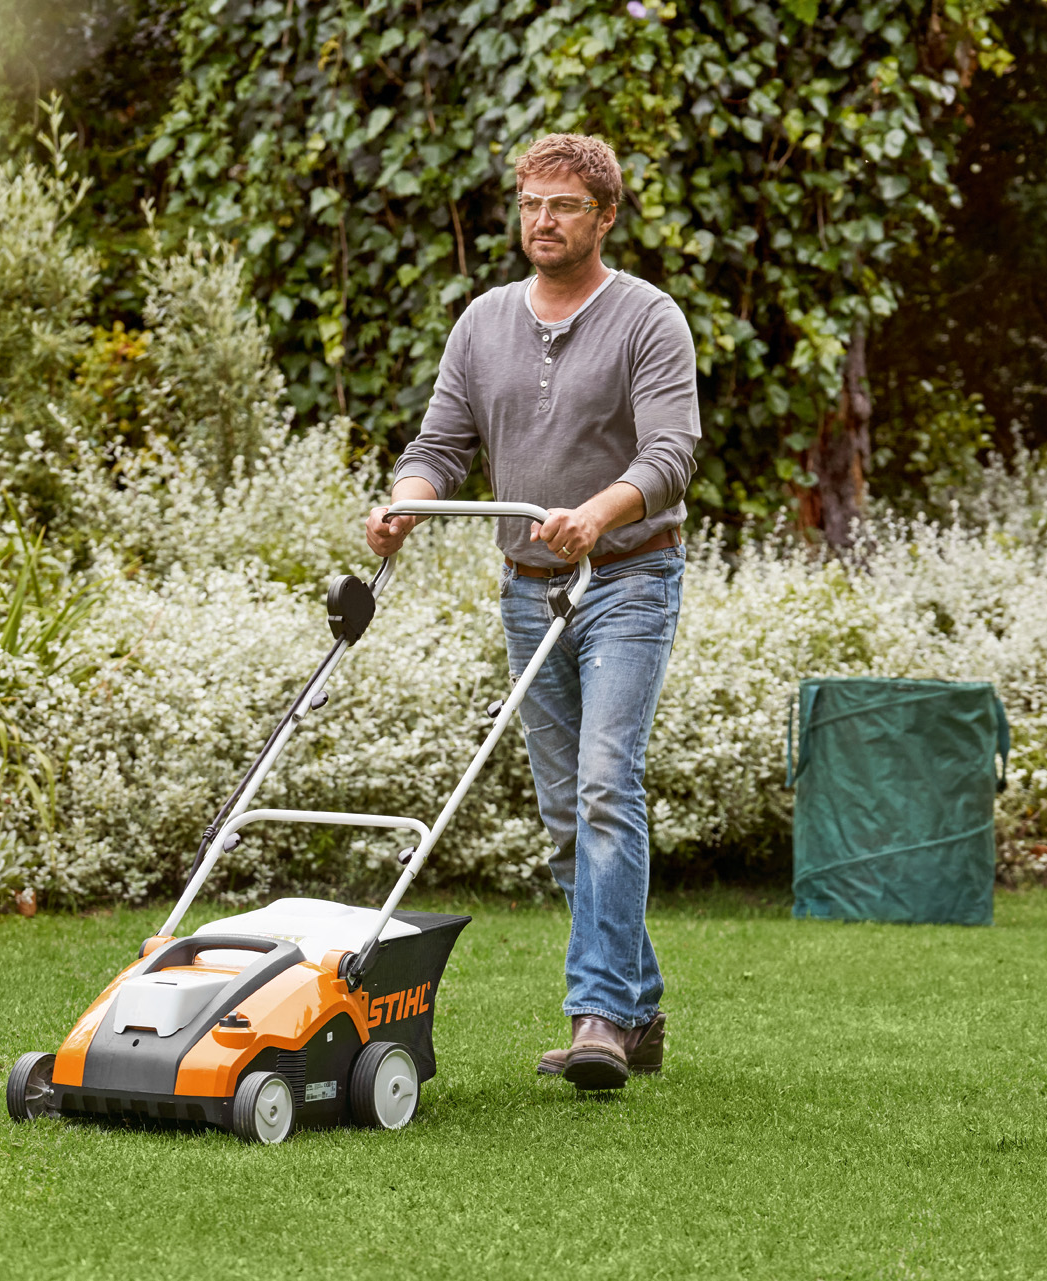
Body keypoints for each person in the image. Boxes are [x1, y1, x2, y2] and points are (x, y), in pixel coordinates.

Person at [364, 133, 700, 1090]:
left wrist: (598, 513)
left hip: (629, 579)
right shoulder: (481, 323)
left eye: (562, 205)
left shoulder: (648, 318)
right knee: (564, 811)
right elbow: (441, 441)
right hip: (528, 590)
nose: (541, 220)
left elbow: (672, 451)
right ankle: (638, 1007)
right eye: (528, 203)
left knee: (604, 783)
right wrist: (404, 503)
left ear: (604, 217)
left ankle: (597, 1016)